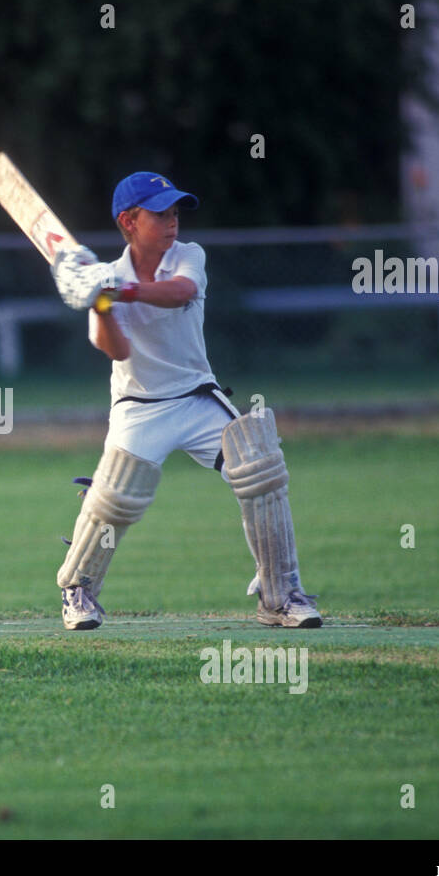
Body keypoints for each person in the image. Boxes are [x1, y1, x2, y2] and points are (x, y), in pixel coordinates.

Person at [51, 171, 321, 631]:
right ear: (129, 222)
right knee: (115, 498)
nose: (173, 221)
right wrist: (99, 301)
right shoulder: (109, 280)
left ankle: (280, 597)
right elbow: (117, 350)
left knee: (261, 467)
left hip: (197, 395)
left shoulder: (187, 256)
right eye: (161, 214)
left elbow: (182, 293)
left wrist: (119, 291)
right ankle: (78, 591)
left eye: (175, 212)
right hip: (139, 405)